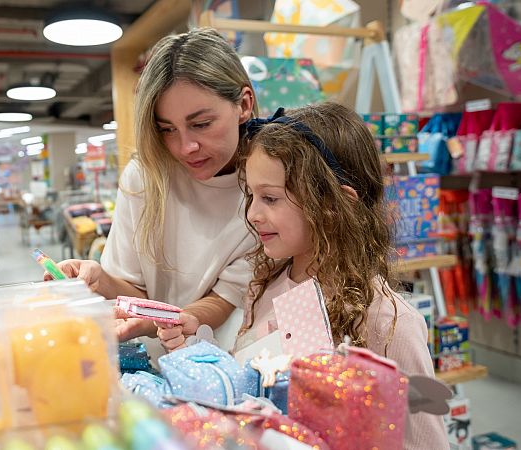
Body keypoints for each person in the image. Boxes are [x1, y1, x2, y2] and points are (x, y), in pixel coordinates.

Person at [159, 102, 449, 448]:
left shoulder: (388, 323)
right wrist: (200, 357)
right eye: (251, 195)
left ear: (332, 206)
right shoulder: (264, 285)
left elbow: (425, 442)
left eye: (270, 198)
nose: (253, 214)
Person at [48, 28, 257, 348]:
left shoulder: (268, 187)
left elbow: (225, 298)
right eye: (167, 129)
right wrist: (97, 279)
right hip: (157, 366)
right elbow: (135, 292)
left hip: (233, 363)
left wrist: (170, 319)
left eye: (201, 124)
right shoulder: (145, 177)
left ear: (243, 105)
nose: (186, 146)